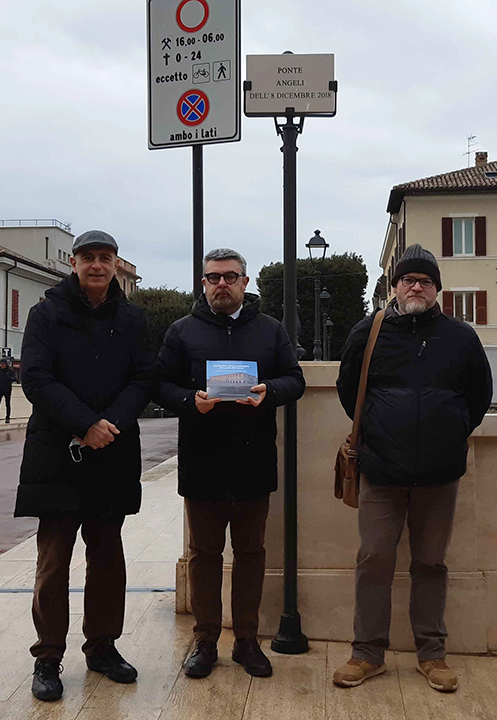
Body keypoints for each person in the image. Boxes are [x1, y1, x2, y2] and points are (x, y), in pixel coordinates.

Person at [332, 245, 493, 694]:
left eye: (424, 280)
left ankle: (432, 653)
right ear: (395, 287)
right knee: (373, 560)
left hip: (440, 473)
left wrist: (452, 428)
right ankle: (366, 653)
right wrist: (382, 432)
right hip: (380, 471)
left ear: (437, 288)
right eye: (408, 280)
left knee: (430, 563)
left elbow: (479, 396)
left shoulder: (461, 337)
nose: (415, 286)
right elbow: (350, 392)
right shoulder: (369, 332)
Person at [14, 230, 155, 703]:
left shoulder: (133, 318)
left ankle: (102, 648)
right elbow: (35, 377)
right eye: (88, 257)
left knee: (108, 558)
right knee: (54, 560)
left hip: (111, 450)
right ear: (73, 263)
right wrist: (83, 422)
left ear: (116, 263)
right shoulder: (46, 313)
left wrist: (108, 424)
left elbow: (143, 378)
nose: (97, 265)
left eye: (105, 258)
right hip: (57, 451)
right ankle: (48, 657)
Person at [155, 248, 305, 680]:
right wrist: (189, 401)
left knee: (251, 554)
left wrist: (268, 391)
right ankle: (204, 640)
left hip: (254, 461)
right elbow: (160, 384)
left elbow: (295, 379)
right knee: (204, 555)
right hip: (202, 462)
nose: (222, 284)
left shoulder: (270, 330)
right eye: (213, 277)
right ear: (203, 283)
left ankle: (245, 640)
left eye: (230, 277)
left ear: (245, 282)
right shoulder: (181, 332)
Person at [0, 358, 15, 423]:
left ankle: (7, 417)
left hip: (7, 389)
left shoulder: (10, 370)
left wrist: (9, 378)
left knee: (7, 403)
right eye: (1, 364)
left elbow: (14, 378)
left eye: (3, 364)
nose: (2, 365)